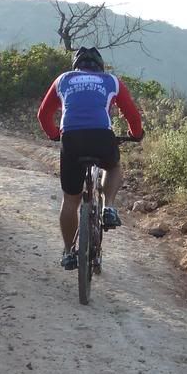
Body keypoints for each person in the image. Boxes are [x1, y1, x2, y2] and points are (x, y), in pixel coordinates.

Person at [37, 46, 144, 270]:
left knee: (70, 199)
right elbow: (132, 115)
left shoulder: (63, 80)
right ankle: (109, 207)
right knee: (113, 166)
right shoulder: (111, 81)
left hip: (72, 139)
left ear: (76, 66)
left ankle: (68, 252)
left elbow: (44, 114)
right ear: (100, 66)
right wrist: (136, 134)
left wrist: (54, 134)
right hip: (101, 137)